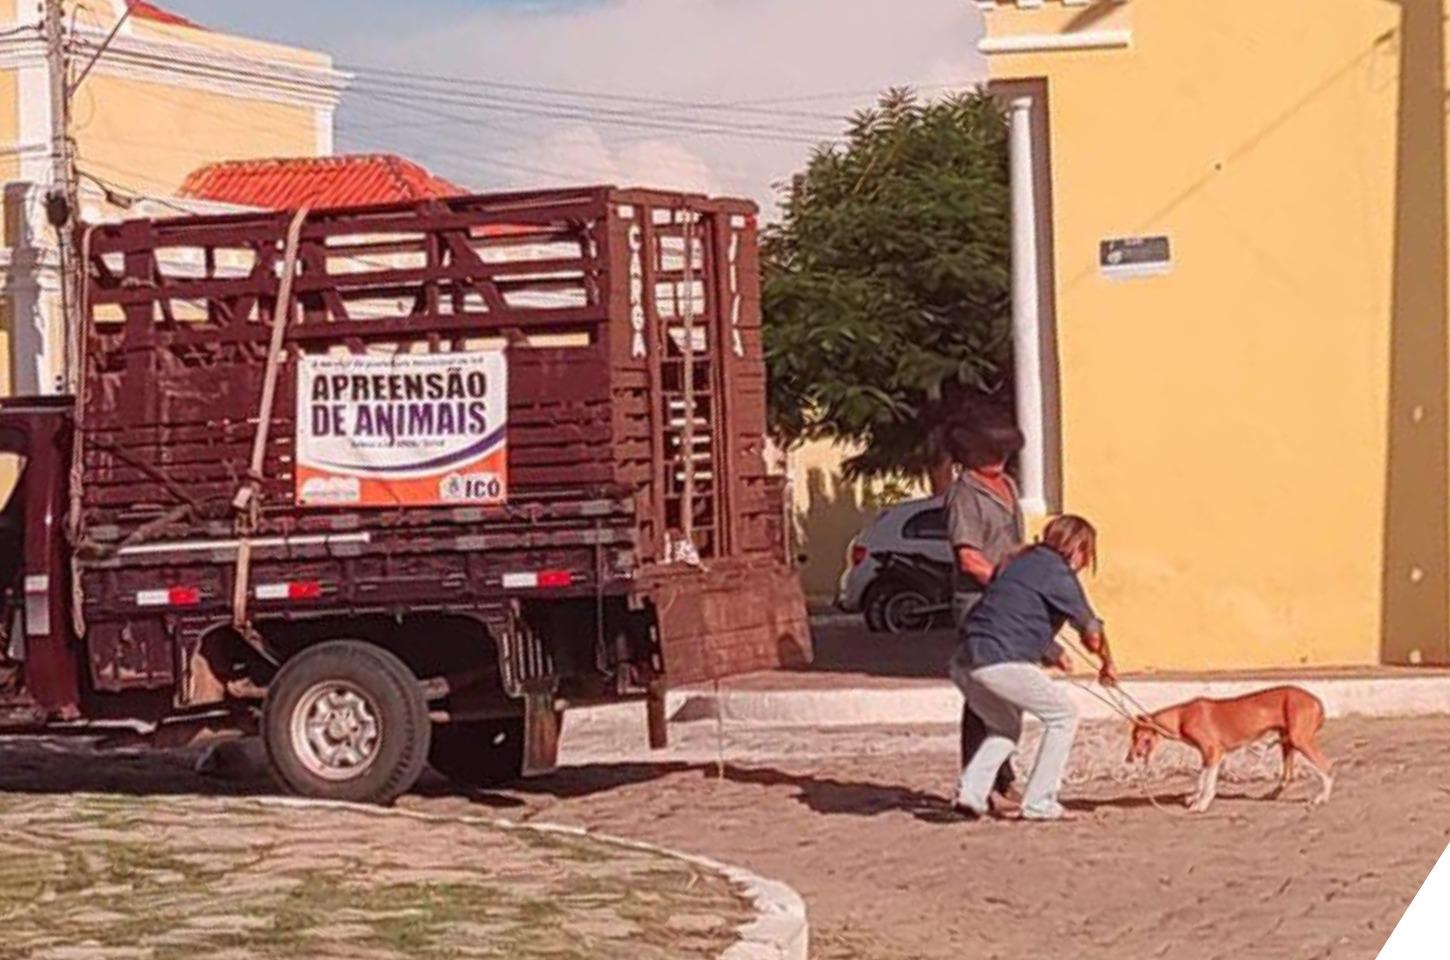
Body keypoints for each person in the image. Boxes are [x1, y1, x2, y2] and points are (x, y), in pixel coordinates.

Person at [949, 515, 1116, 821]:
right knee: (1063, 715)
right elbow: (1091, 629)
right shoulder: (1058, 572)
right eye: (1087, 552)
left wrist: (1054, 651)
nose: (1085, 561)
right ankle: (1040, 801)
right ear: (1078, 547)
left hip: (964, 661)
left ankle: (970, 794)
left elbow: (1011, 615)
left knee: (1004, 727)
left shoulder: (1020, 563)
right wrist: (1107, 663)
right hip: (999, 660)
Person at [942, 418, 1026, 808]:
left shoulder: (1008, 486)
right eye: (995, 452)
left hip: (1008, 600)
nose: (1003, 459)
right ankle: (979, 784)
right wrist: (1002, 581)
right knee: (983, 693)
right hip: (979, 602)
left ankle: (1004, 777)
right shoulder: (964, 495)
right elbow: (970, 557)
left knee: (1011, 689)